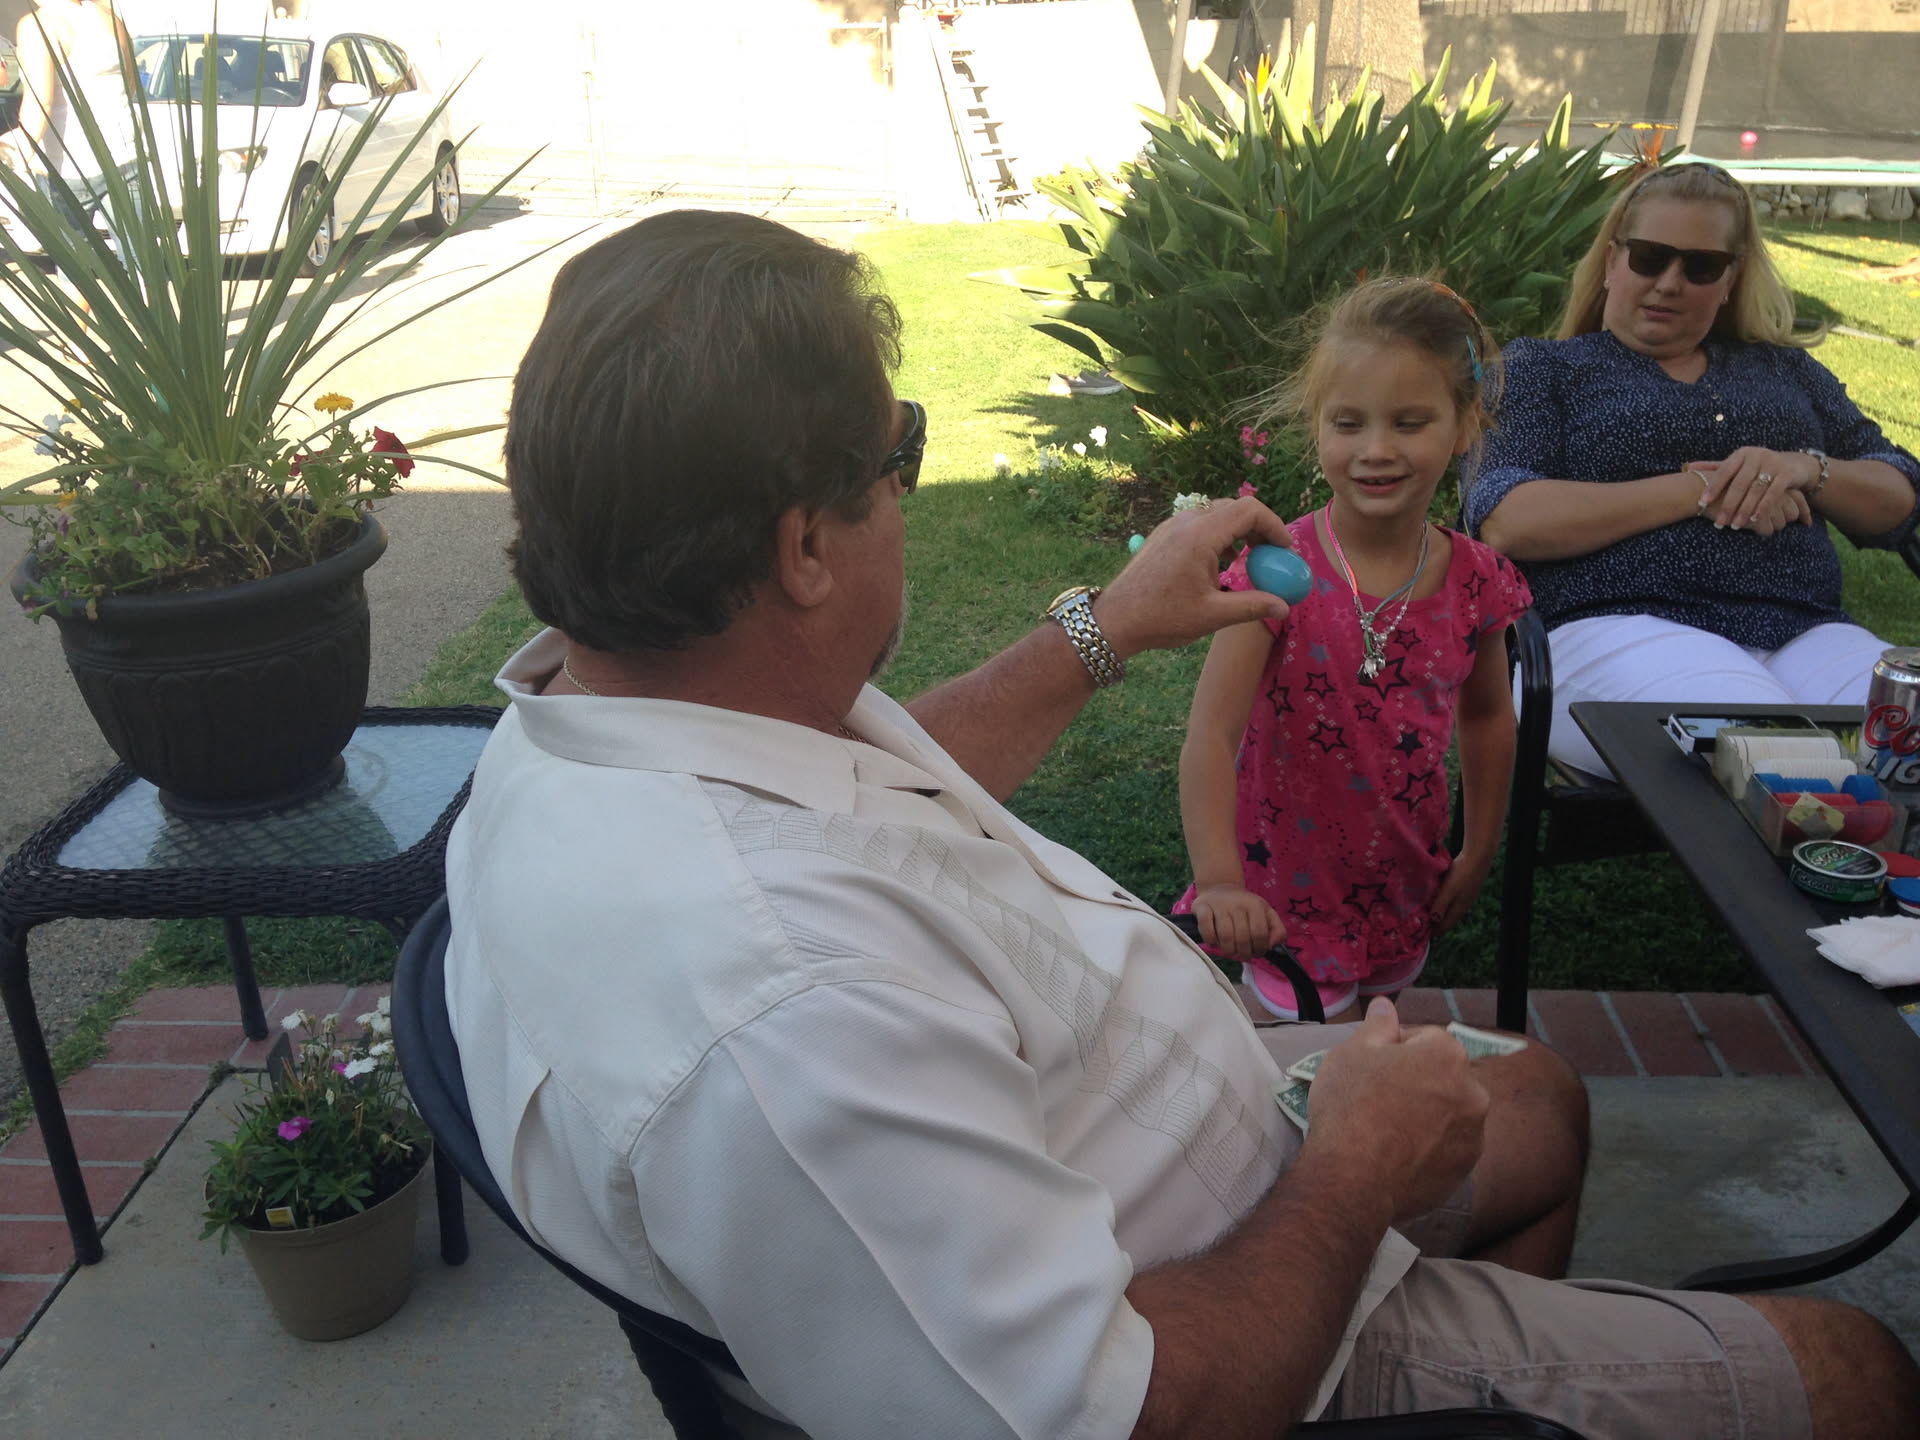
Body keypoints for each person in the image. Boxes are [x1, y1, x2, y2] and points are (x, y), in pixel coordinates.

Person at [443, 208, 1920, 1439]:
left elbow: (852, 780)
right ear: (805, 549)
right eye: (900, 454)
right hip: (1215, 1319)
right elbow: (1120, 1413)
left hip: (1149, 1139)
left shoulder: (608, 709)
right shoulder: (786, 1014)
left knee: (1535, 1090)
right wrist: (1352, 1175)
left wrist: (1106, 627)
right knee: (1856, 1374)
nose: (904, 490)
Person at [1467, 161, 1920, 777]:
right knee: (1780, 757)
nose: (1669, 283)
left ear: (1730, 280)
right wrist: (1704, 489)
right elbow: (1506, 519)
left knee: (1904, 740)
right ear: (1612, 262)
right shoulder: (1543, 369)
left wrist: (1805, 470)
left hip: (1805, 629)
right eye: (1649, 258)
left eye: (1700, 267)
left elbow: (1899, 496)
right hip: (1615, 624)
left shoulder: (1784, 370)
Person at [1176, 279, 1530, 1021]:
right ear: (1318, 426)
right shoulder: (1276, 572)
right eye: (1349, 423)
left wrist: (1478, 849)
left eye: (1410, 422)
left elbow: (1489, 718)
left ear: (1465, 424)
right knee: (1301, 1066)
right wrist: (1221, 883)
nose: (1376, 450)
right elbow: (1211, 734)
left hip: (1401, 890)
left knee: (1372, 1044)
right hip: (1280, 900)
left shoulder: (1479, 582)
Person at [10, 0, 136, 269]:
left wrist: (16, 154)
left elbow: (40, 103)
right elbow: (131, 84)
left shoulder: (38, 25)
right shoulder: (109, 16)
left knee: (77, 272)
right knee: (142, 265)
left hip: (67, 169)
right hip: (126, 157)